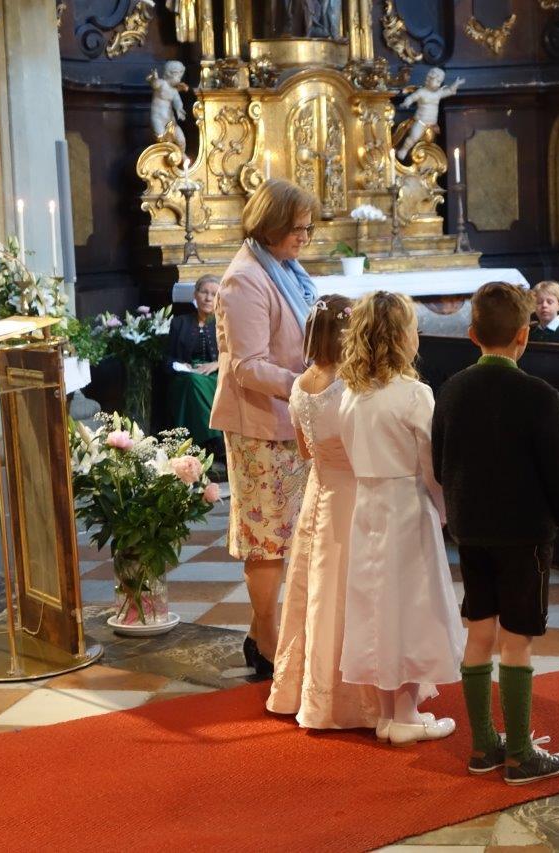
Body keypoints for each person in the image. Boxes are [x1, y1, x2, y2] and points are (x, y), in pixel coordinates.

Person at [431, 283, 559, 785]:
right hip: (524, 535)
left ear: (472, 334)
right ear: (524, 335)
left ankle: (482, 747)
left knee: (479, 632)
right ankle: (519, 755)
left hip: (471, 531)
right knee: (517, 641)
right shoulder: (539, 395)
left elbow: (440, 463)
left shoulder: (452, 389)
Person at [337, 291, 464, 745]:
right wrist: (445, 511)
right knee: (411, 608)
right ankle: (407, 715)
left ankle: (389, 714)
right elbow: (432, 468)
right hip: (407, 506)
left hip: (367, 506)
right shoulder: (414, 394)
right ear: (401, 337)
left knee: (378, 608)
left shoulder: (352, 393)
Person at [211, 178, 319, 678]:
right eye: (297, 228)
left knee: (286, 535)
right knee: (267, 538)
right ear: (271, 224)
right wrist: (306, 383)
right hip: (260, 426)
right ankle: (269, 640)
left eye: (309, 228)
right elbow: (247, 366)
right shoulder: (246, 279)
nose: (304, 237)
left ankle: (260, 637)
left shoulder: (286, 270)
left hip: (289, 422)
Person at [266, 294, 381, 729]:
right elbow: (361, 449)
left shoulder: (299, 386)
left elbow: (303, 450)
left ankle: (302, 690)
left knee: (313, 590)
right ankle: (351, 698)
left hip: (318, 494)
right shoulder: (351, 386)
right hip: (350, 496)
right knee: (345, 591)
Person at [165, 274, 223, 466]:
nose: (208, 298)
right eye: (204, 292)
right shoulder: (179, 322)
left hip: (217, 374)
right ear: (195, 295)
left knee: (199, 384)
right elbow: (168, 358)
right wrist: (182, 366)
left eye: (213, 294)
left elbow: (236, 355)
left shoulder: (225, 323)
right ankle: (214, 440)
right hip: (185, 377)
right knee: (191, 382)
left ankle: (209, 441)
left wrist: (217, 364)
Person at [395, 68, 464, 160]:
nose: (438, 84)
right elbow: (411, 98)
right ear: (429, 78)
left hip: (433, 125)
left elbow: (449, 91)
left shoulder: (438, 93)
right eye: (437, 81)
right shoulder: (421, 92)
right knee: (414, 137)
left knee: (434, 142)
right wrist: (407, 102)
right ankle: (403, 150)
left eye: (440, 82)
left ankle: (429, 158)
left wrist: (455, 84)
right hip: (421, 122)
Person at [148, 61, 187, 148]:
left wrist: (179, 109)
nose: (179, 80)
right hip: (158, 118)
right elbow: (155, 84)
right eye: (177, 76)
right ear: (169, 74)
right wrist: (154, 78)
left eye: (180, 76)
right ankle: (166, 153)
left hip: (170, 120)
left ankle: (181, 155)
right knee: (161, 137)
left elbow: (177, 101)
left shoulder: (174, 91)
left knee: (181, 140)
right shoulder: (162, 84)